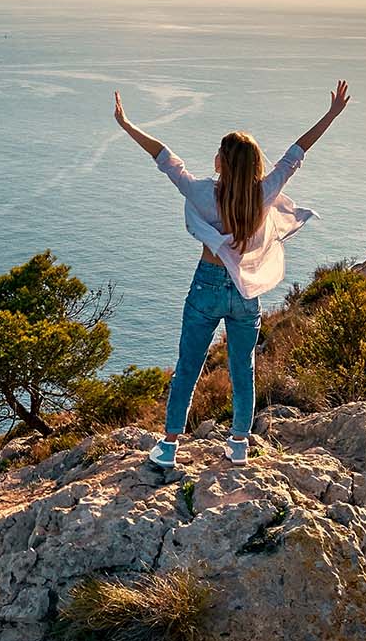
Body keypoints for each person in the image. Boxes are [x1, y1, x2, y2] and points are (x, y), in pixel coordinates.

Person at [113, 81, 349, 468]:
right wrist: (331, 114)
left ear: (223, 160)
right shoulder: (263, 193)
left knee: (188, 366)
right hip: (244, 290)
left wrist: (126, 124)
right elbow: (296, 153)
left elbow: (164, 157)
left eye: (219, 151)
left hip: (207, 284)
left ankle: (170, 446)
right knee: (243, 369)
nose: (215, 155)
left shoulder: (201, 192)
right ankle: (238, 444)